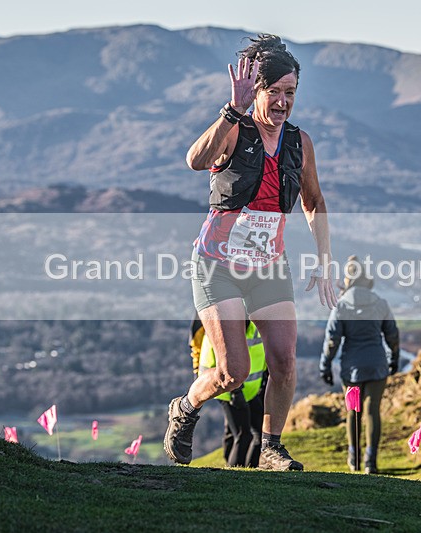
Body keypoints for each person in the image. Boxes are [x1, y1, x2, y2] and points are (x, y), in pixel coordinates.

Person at [164, 34, 337, 472]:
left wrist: (324, 259)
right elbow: (195, 160)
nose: (282, 102)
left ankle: (271, 449)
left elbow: (313, 202)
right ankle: (185, 406)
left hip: (268, 266)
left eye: (290, 93)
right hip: (216, 265)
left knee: (283, 360)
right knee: (232, 373)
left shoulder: (300, 142)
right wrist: (231, 111)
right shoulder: (235, 129)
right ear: (255, 90)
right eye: (273, 92)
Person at [319, 256, 400, 474]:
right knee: (373, 411)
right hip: (377, 366)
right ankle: (370, 462)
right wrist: (395, 358)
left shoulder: (342, 306)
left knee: (353, 412)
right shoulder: (380, 303)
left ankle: (353, 459)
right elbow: (392, 335)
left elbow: (332, 340)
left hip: (351, 370)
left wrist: (324, 366)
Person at [199, 320, 267, 468]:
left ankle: (249, 470)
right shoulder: (220, 328)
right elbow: (218, 364)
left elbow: (263, 351)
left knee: (257, 433)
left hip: (252, 390)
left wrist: (265, 380)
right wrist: (235, 391)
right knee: (244, 435)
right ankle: (235, 472)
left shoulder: (255, 325)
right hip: (227, 390)